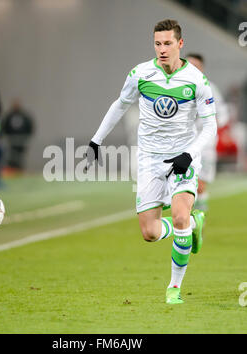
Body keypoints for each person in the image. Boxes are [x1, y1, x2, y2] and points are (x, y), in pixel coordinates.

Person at [86, 19, 217, 304]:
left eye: (168, 43)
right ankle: (192, 226)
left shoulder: (196, 80)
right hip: (148, 160)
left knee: (179, 215)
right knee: (150, 232)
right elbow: (120, 104)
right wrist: (97, 139)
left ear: (180, 44)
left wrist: (189, 155)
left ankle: (174, 288)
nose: (162, 49)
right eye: (157, 43)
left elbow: (210, 127)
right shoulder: (140, 74)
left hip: (182, 158)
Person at [186, 53, 229, 212]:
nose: (192, 69)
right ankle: (191, 220)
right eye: (189, 65)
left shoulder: (210, 88)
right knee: (186, 184)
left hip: (206, 145)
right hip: (185, 143)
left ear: (202, 68)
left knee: (200, 185)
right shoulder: (178, 87)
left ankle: (198, 219)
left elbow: (223, 114)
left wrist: (212, 125)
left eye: (196, 65)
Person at [1, 99, 34, 170]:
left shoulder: (24, 117)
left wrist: (26, 137)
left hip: (21, 142)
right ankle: (12, 170)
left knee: (20, 158)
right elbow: (4, 126)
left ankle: (20, 170)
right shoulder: (9, 116)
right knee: (11, 157)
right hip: (11, 142)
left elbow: (30, 126)